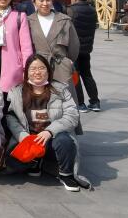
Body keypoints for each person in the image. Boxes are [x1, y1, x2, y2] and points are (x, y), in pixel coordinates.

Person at [6, 54, 89, 192]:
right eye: (33, 69)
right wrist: (23, 136)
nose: (37, 72)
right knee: (12, 162)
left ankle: (66, 174)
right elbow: (10, 117)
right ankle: (36, 161)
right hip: (30, 139)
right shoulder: (17, 92)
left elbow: (72, 115)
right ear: (26, 72)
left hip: (52, 140)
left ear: (48, 70)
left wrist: (49, 131)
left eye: (41, 68)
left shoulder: (61, 90)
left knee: (64, 141)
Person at [27, 0, 80, 90]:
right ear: (34, 2)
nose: (45, 3)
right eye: (41, 0)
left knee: (64, 96)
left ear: (52, 1)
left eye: (48, 0)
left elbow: (74, 46)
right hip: (37, 68)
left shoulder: (64, 20)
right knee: (39, 97)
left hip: (60, 65)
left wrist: (67, 61)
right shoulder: (28, 21)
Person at [67, 0, 100, 112]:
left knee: (75, 75)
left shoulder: (71, 10)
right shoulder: (92, 10)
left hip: (73, 49)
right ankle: (95, 102)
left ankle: (80, 103)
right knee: (87, 74)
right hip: (87, 49)